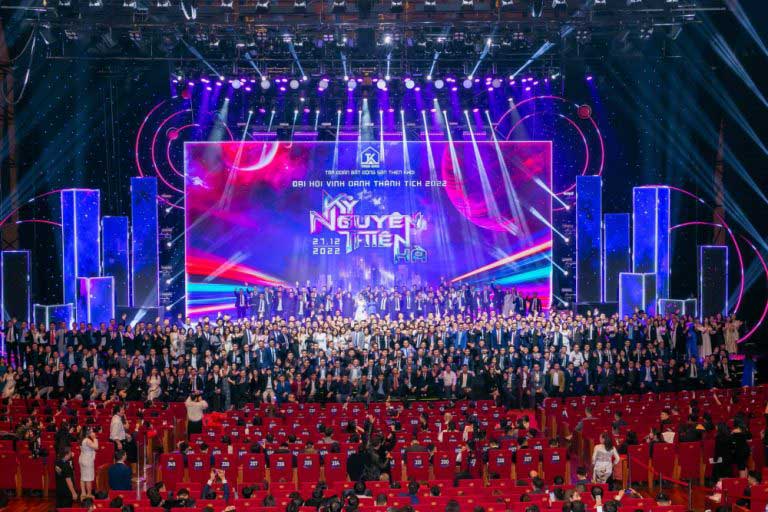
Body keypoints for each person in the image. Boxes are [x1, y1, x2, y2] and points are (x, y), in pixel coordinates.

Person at [79, 426, 99, 499]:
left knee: (83, 477)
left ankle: (83, 493)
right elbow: (96, 447)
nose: (93, 432)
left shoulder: (82, 439)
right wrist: (95, 438)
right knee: (88, 478)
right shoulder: (87, 440)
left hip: (82, 458)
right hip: (87, 460)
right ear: (88, 432)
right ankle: (89, 494)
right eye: (91, 431)